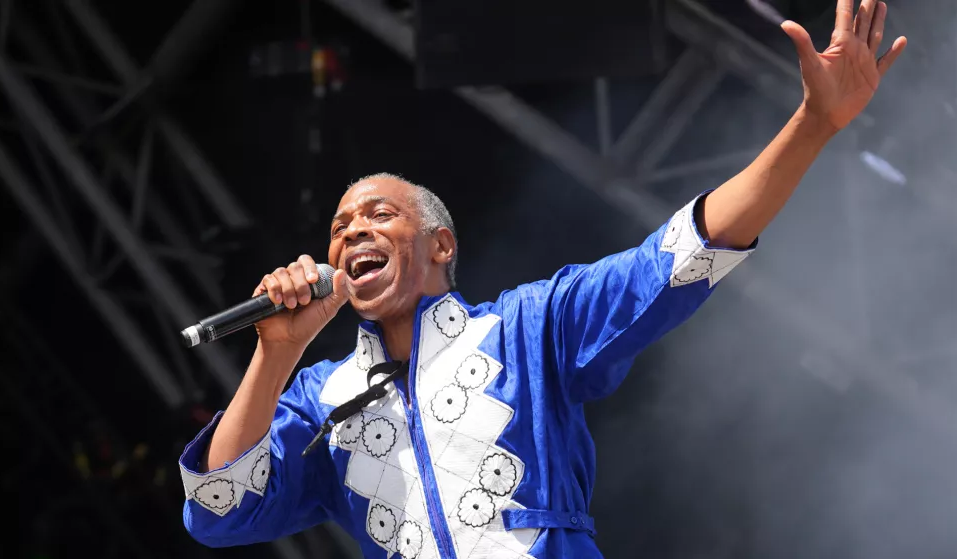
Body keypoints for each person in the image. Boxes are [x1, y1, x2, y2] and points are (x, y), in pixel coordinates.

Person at [178, 2, 906, 557]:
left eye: (376, 214)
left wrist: (814, 122)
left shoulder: (530, 325)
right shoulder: (318, 397)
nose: (351, 232)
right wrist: (275, 352)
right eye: (339, 228)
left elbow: (682, 253)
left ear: (439, 244)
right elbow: (216, 509)